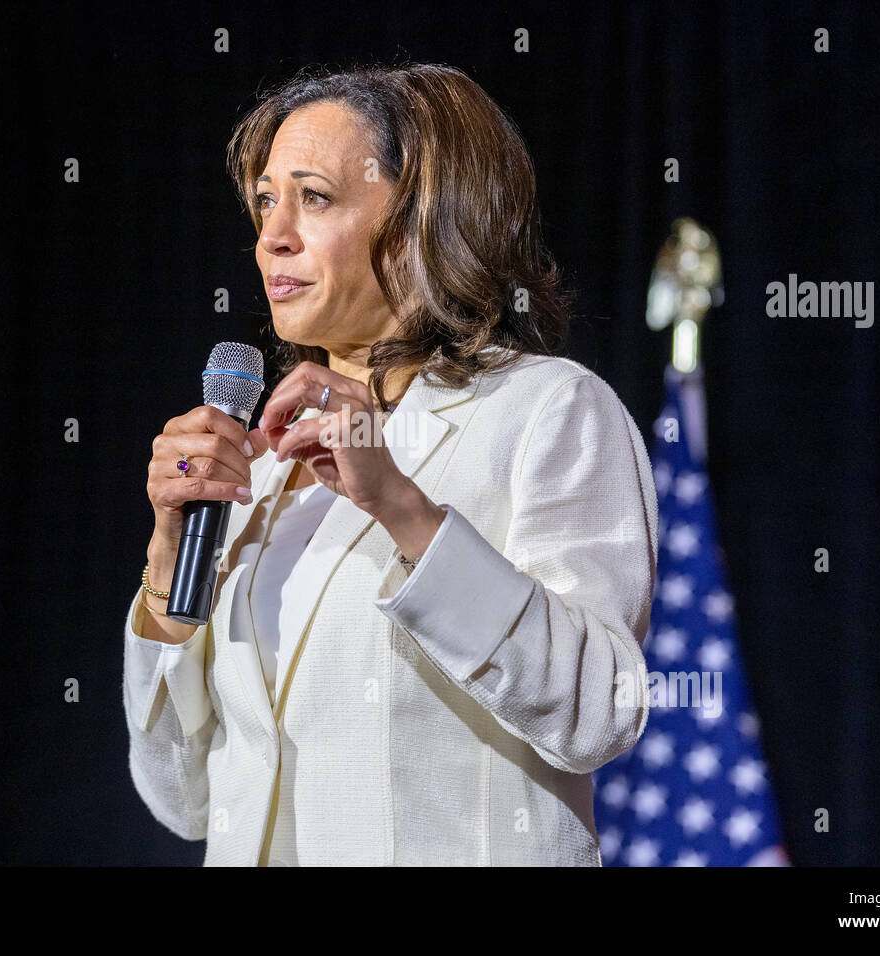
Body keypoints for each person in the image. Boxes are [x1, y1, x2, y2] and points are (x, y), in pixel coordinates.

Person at [123, 62, 658, 865]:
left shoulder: (546, 412)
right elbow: (183, 799)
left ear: (420, 222)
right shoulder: (265, 467)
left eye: (316, 196)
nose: (273, 233)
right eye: (267, 199)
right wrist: (169, 560)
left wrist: (403, 508)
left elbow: (598, 713)